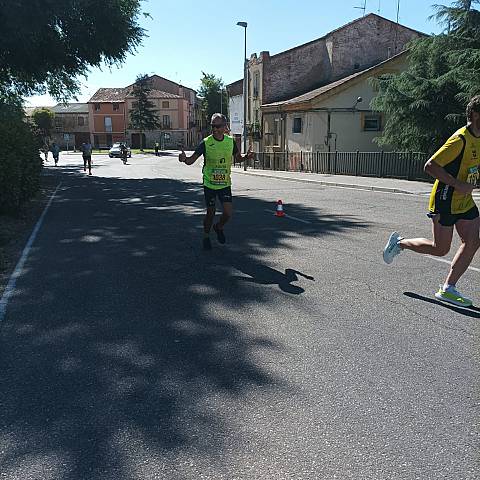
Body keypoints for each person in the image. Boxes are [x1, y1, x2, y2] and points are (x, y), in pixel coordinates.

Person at [383, 95, 480, 307]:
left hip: (464, 201)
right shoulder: (460, 140)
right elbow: (430, 166)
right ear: (474, 115)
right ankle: (400, 243)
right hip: (445, 198)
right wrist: (457, 184)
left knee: (473, 241)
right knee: (440, 249)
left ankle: (448, 288)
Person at [179, 113, 254, 250]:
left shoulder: (230, 142)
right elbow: (191, 161)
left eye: (218, 126)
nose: (215, 129)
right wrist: (184, 159)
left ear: (225, 127)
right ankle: (206, 236)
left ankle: (218, 227)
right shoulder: (206, 142)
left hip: (225, 183)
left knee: (228, 213)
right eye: (213, 126)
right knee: (211, 213)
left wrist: (246, 157)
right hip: (209, 184)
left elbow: (237, 158)